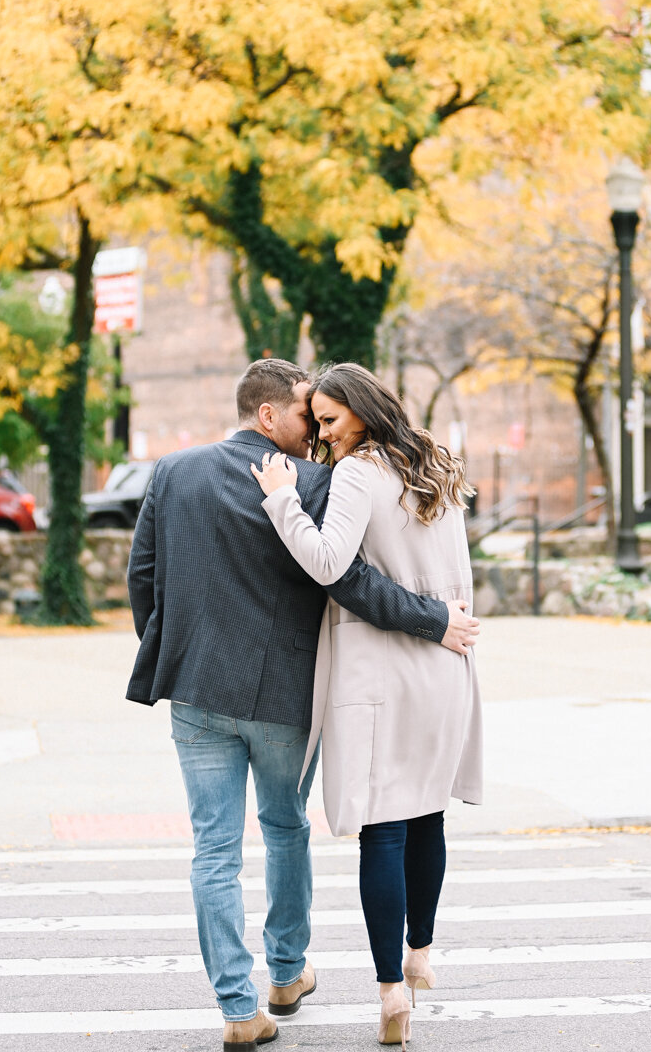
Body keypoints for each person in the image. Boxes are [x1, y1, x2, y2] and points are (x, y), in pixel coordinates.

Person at [126, 358, 479, 1052]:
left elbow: (143, 576)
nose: (314, 434)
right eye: (304, 415)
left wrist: (175, 652)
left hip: (195, 691)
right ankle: (287, 973)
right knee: (285, 826)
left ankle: (238, 1005)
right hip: (284, 696)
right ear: (268, 415)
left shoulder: (171, 472)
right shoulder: (319, 480)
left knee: (214, 850)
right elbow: (349, 581)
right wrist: (438, 620)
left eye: (324, 418)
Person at [252, 362, 483, 1050]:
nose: (323, 435)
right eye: (316, 422)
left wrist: (281, 500)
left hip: (380, 666)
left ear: (362, 408)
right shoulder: (434, 463)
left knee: (383, 827)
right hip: (445, 661)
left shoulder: (358, 472)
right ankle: (420, 952)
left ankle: (390, 995)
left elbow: (328, 563)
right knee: (427, 812)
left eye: (329, 419)